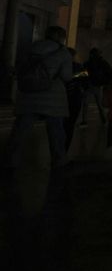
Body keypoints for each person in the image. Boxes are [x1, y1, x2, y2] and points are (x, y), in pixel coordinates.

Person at [6, 26, 72, 169]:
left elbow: (20, 67)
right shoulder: (63, 53)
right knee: (56, 131)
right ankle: (59, 159)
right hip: (53, 97)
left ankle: (10, 159)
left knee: (21, 129)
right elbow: (66, 76)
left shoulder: (31, 48)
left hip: (29, 94)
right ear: (61, 37)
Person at [64, 48, 89, 150]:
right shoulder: (78, 67)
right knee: (70, 125)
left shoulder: (62, 66)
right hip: (75, 97)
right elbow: (85, 79)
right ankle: (64, 149)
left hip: (62, 97)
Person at [81, 47, 112, 126]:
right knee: (98, 105)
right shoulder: (102, 63)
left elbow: (84, 74)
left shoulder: (89, 63)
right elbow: (110, 72)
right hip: (95, 85)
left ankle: (85, 121)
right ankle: (103, 120)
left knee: (87, 104)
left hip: (91, 85)